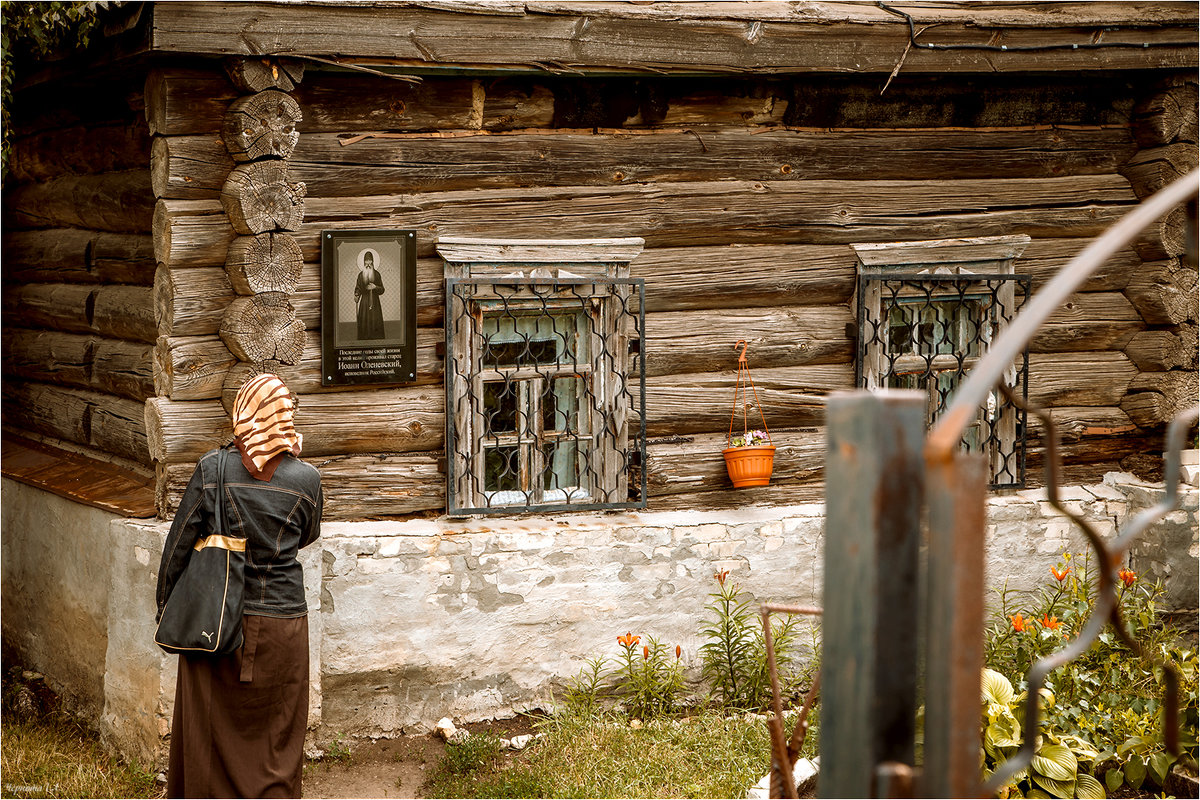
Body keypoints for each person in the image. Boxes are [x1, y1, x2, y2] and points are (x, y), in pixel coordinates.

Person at [157, 373, 323, 798]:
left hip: (217, 621)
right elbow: (307, 535)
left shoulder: (212, 469)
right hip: (284, 625)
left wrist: (168, 608)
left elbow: (179, 546)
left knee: (205, 735)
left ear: (244, 412)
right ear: (283, 416)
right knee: (277, 737)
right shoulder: (307, 480)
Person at [354, 247, 386, 339]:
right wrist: (356, 295)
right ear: (364, 262)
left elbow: (382, 289)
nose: (368, 263)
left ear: (373, 261)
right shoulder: (360, 275)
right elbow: (358, 287)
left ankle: (376, 337)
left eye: (370, 260)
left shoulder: (377, 274)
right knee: (364, 320)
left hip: (375, 302)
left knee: (375, 319)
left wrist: (375, 287)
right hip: (364, 301)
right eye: (366, 261)